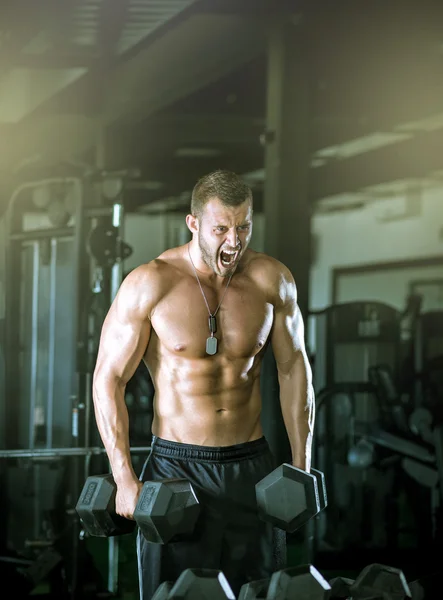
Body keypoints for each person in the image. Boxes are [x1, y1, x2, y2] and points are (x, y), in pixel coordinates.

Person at [92, 169, 315, 600]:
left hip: (252, 465)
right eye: (221, 228)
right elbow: (108, 378)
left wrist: (302, 465)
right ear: (193, 223)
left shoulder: (272, 280)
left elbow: (294, 370)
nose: (234, 241)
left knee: (260, 592)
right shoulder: (151, 282)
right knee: (174, 595)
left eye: (244, 226)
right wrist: (124, 477)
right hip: (176, 469)